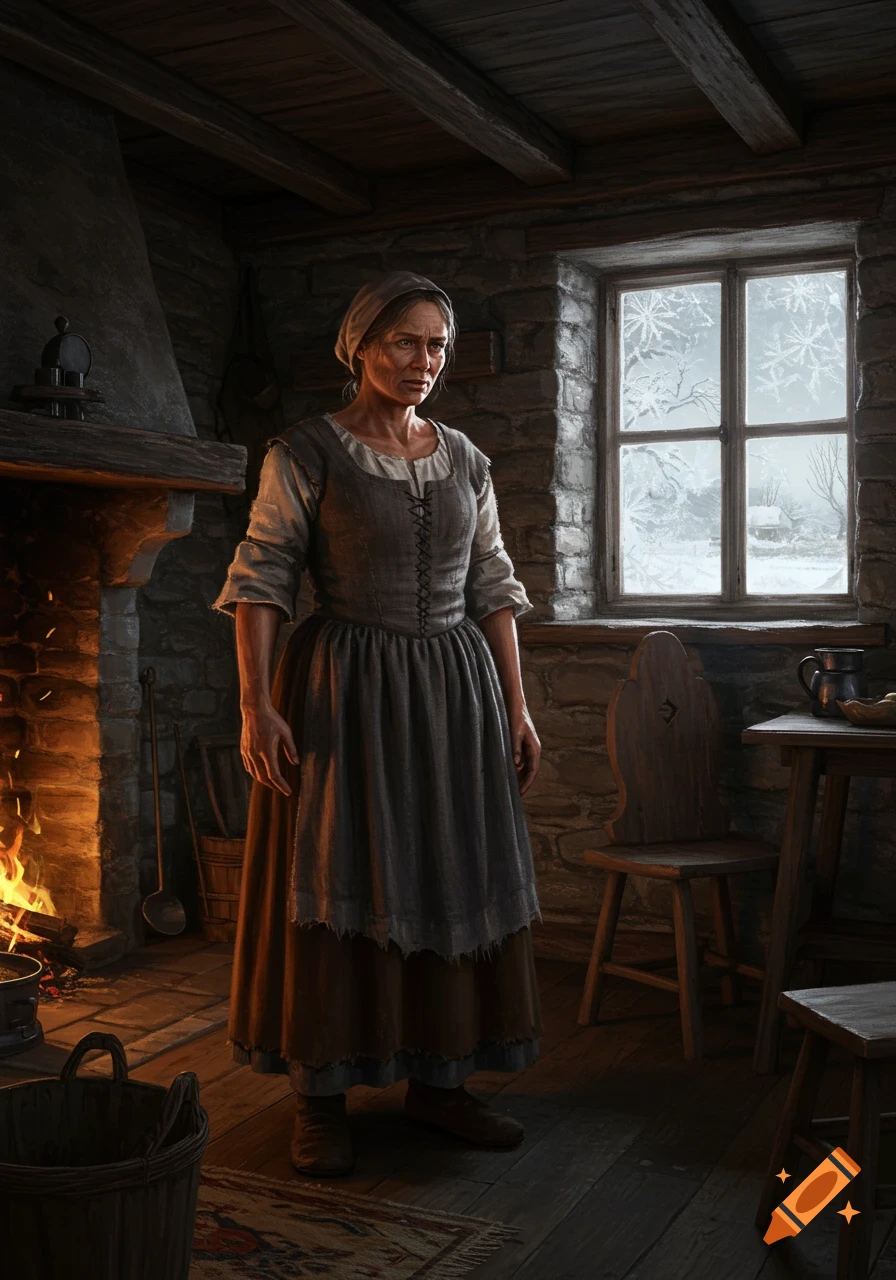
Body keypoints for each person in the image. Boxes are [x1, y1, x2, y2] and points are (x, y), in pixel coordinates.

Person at [214, 271, 543, 1177]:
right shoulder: (307, 452)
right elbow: (262, 575)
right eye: (404, 342)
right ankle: (319, 1095)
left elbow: (495, 589)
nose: (423, 361)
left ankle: (441, 1084)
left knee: (449, 868)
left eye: (437, 344)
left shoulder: (467, 458)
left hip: (454, 689)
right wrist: (256, 702)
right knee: (338, 871)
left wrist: (516, 706)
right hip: (344, 689)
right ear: (359, 346)